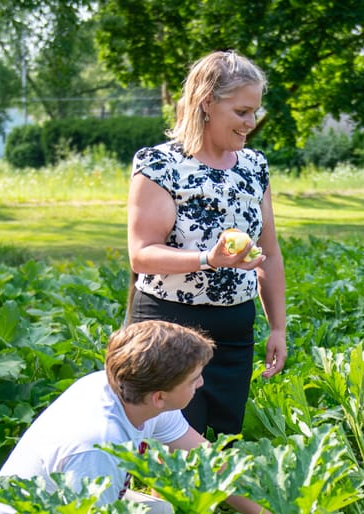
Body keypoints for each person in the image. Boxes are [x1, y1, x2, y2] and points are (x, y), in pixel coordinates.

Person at [0, 321, 331, 514]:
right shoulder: (97, 444)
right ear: (160, 397)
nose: (201, 385)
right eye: (194, 379)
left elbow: (211, 464)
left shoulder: (129, 390)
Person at [127, 50, 286, 438]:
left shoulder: (253, 166)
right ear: (207, 103)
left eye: (254, 113)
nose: (250, 123)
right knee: (173, 443)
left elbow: (271, 250)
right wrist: (207, 259)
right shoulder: (160, 165)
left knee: (224, 438)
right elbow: (142, 254)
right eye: (242, 112)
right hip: (170, 324)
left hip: (234, 328)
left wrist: (278, 327)